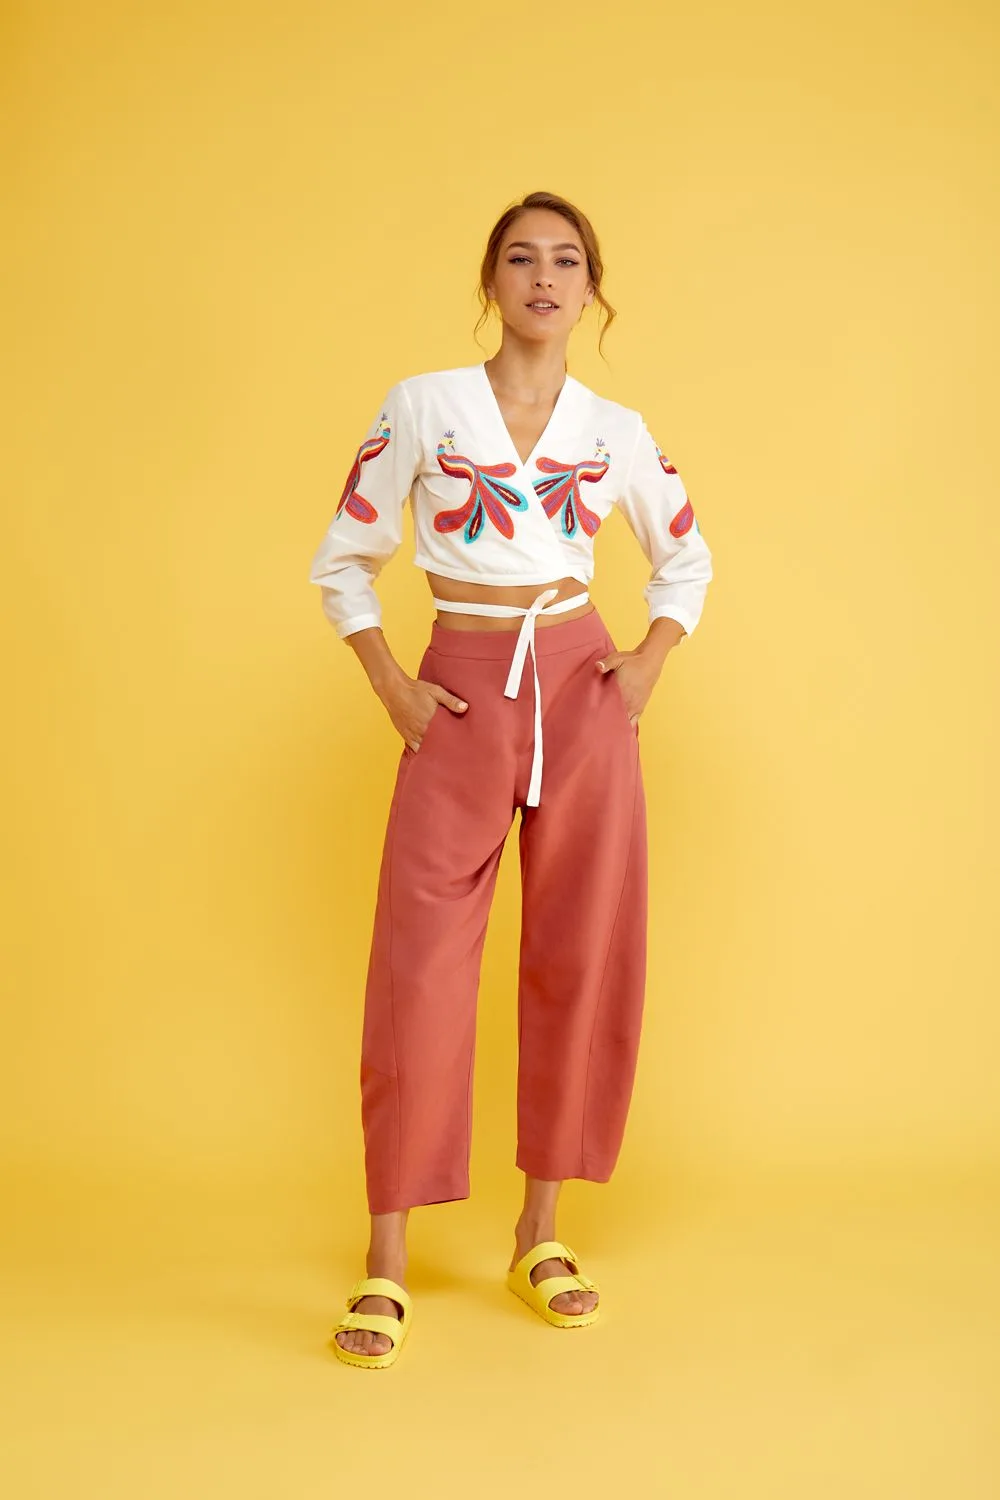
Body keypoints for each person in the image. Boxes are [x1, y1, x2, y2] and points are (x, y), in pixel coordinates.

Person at [308, 190, 713, 1369]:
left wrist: (645, 663)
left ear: (592, 290)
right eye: (522, 258)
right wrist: (391, 684)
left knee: (580, 952)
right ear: (491, 282)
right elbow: (343, 561)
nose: (544, 277)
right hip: (462, 687)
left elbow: (685, 558)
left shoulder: (615, 428)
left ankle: (541, 1233)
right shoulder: (422, 405)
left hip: (580, 685)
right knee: (419, 965)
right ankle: (386, 1258)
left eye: (567, 261)